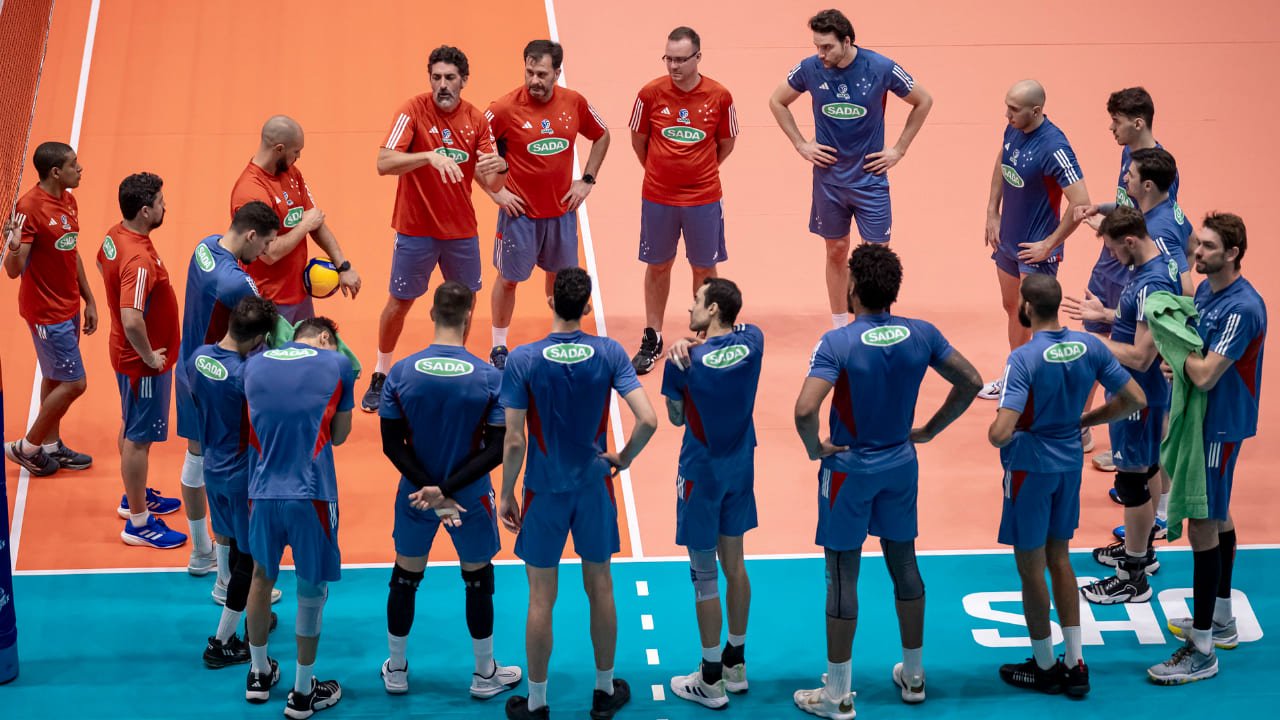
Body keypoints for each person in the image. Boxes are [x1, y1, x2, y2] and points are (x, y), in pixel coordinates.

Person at [793, 244, 981, 717]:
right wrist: (931, 429)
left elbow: (803, 409)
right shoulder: (923, 333)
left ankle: (838, 694)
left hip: (849, 470)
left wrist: (815, 447)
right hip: (900, 463)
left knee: (841, 573)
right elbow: (972, 381)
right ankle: (914, 676)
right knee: (904, 562)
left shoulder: (838, 342)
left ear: (853, 288)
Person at [498, 267, 658, 720]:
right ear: (587, 306)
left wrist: (507, 492)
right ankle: (605, 691)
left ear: (551, 302)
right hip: (594, 487)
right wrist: (622, 458)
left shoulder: (524, 359)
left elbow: (514, 440)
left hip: (544, 492)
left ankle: (536, 701)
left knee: (540, 597)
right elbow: (648, 419)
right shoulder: (609, 353)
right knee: (600, 586)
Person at [988, 274, 1146, 696]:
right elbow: (1135, 398)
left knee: (1030, 567)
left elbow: (1001, 432)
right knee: (1060, 557)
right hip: (1068, 467)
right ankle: (1075, 664)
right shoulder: (1091, 346)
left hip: (1029, 470)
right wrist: (1086, 420)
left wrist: (1002, 430)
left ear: (1025, 306)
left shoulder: (1023, 359)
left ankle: (1043, 666)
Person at [378, 281, 521, 697]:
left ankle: (398, 669)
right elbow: (497, 449)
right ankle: (484, 674)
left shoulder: (401, 372)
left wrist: (429, 489)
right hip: (470, 497)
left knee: (405, 577)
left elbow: (391, 443)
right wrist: (448, 490)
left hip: (414, 497)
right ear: (471, 316)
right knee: (478, 581)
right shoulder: (490, 378)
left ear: (432, 314)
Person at [1150, 212, 1265, 685]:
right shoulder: (1204, 291)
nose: (1196, 255)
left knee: (1202, 524)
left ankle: (1202, 649)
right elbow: (1194, 357)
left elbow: (1203, 373)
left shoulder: (1243, 308)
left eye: (1209, 249)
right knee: (1219, 517)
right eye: (1198, 247)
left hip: (1219, 427)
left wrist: (1175, 352)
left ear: (1233, 254)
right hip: (1208, 419)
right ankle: (1221, 618)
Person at [364, 45, 509, 412]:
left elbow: (491, 182)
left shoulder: (477, 121)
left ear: (464, 80)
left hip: (460, 232)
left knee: (467, 302)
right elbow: (384, 162)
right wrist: (427, 155)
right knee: (400, 303)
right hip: (415, 230)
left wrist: (502, 166)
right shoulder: (412, 111)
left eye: (449, 78)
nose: (442, 85)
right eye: (436, 77)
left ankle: (457, 363)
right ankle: (381, 372)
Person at [768, 8, 932, 330]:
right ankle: (841, 326)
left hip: (870, 181)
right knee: (836, 251)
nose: (821, 54)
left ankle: (876, 326)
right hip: (829, 182)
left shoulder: (881, 68)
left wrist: (898, 149)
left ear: (846, 41)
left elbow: (923, 100)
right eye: (817, 46)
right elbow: (777, 101)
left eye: (827, 47)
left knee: (876, 258)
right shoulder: (810, 69)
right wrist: (801, 144)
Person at [1064, 207, 1182, 604]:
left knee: (1131, 480)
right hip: (1136, 394)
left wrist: (1092, 342)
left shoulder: (1152, 282)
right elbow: (1140, 319)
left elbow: (1141, 355)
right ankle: (1141, 551)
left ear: (1130, 241)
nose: (1113, 258)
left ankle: (1132, 576)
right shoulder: (1151, 266)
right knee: (1145, 469)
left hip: (1138, 393)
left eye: (1114, 250)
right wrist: (1105, 314)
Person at [242, 317, 354, 717]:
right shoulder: (338, 365)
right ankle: (303, 693)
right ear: (325, 338)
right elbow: (339, 436)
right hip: (312, 495)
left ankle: (257, 674)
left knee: (260, 577)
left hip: (261, 493)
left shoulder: (253, 364)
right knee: (311, 588)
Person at [660, 278, 761, 709]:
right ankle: (736, 664)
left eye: (696, 303)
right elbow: (738, 335)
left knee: (704, 576)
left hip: (701, 472)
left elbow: (677, 418)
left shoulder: (684, 362)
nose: (689, 310)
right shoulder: (754, 341)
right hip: (740, 468)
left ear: (715, 308)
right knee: (734, 564)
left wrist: (683, 349)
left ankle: (710, 679)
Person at [484, 39, 610, 369]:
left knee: (561, 279)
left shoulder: (574, 103)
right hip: (520, 216)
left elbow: (602, 135)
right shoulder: (504, 108)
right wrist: (495, 193)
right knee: (509, 279)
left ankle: (563, 337)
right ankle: (498, 346)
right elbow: (471, 141)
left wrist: (587, 179)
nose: (535, 81)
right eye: (529, 72)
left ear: (557, 72)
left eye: (542, 74)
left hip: (562, 213)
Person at [175, 200, 279, 578]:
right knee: (227, 478)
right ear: (251, 235)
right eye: (264, 245)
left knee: (196, 459)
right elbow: (266, 330)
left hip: (189, 369)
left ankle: (200, 551)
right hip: (218, 380)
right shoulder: (238, 282)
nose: (264, 254)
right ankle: (225, 579)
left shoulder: (204, 246)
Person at [627, 26, 739, 375]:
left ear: (698, 58)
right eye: (669, 59)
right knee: (658, 265)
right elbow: (638, 140)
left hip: (703, 198)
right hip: (658, 196)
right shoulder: (649, 94)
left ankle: (707, 336)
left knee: (704, 268)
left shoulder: (720, 96)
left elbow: (726, 143)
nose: (673, 66)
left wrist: (698, 172)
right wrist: (662, 172)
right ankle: (653, 335)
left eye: (680, 59)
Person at [981, 80, 1090, 400]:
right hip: (1008, 241)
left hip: (1035, 251)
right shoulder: (1013, 129)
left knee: (1036, 318)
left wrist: (1050, 244)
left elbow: (1081, 202)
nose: (1007, 114)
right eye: (1006, 106)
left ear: (1036, 111)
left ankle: (1044, 387)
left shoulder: (1054, 148)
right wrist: (992, 210)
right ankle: (1015, 374)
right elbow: (1003, 161)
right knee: (1013, 308)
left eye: (1013, 109)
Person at [187, 295, 279, 668]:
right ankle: (222, 641)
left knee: (237, 550)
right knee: (251, 560)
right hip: (243, 476)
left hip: (213, 469)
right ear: (258, 339)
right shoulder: (248, 376)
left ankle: (249, 615)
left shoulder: (198, 359)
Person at [95, 172, 185, 548]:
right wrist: (149, 356)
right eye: (162, 202)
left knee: (131, 425)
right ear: (146, 211)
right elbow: (132, 317)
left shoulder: (115, 235)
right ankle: (139, 523)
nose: (167, 206)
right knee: (138, 438)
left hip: (126, 355)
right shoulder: (139, 259)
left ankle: (136, 495)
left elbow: (102, 265)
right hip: (142, 364)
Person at [3, 141, 97, 476]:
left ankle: (51, 445)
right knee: (75, 383)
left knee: (55, 377)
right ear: (56, 172)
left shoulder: (68, 200)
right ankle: (27, 447)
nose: (80, 168)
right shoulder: (29, 208)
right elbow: (14, 270)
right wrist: (13, 247)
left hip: (68, 304)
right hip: (46, 313)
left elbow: (71, 251)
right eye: (74, 164)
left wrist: (89, 298)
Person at [229, 115, 361, 323]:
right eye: (296, 151)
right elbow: (269, 253)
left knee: (304, 354)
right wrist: (304, 224)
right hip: (268, 302)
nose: (299, 156)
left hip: (300, 295)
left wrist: (343, 266)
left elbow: (316, 222)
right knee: (271, 356)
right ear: (279, 149)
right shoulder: (250, 191)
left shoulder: (291, 173)